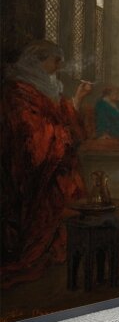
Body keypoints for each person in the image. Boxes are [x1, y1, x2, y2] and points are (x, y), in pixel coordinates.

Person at [1, 40, 92, 288]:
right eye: (55, 60)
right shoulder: (18, 89)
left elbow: (62, 116)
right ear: (38, 61)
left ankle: (66, 245)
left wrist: (77, 99)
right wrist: (61, 137)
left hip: (60, 161)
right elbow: (27, 132)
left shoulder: (50, 86)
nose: (59, 66)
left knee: (73, 192)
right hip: (37, 166)